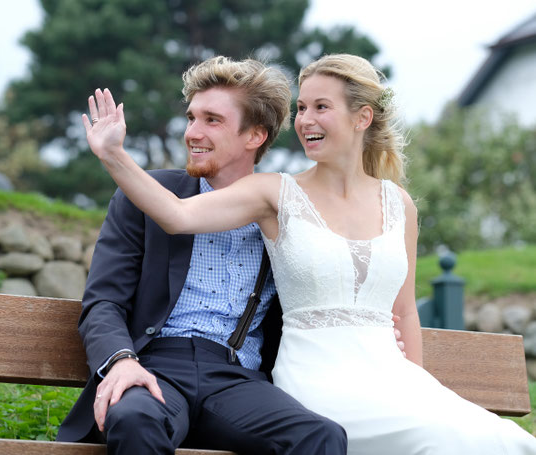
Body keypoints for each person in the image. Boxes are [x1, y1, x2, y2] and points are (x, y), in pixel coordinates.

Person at [82, 53, 536, 454]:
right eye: (302, 108)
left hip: (247, 379)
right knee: (138, 418)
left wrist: (410, 377)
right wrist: (114, 156)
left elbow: (401, 312)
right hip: (184, 365)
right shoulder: (264, 196)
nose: (193, 133)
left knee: (494, 441)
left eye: (321, 107)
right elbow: (171, 222)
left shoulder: (389, 204)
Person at [56, 56, 348, 454]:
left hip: (236, 380)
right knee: (135, 418)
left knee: (321, 436)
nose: (192, 132)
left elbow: (324, 294)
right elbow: (103, 303)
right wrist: (122, 361)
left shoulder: (286, 216)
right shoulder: (144, 195)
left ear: (255, 136)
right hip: (154, 366)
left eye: (212, 120)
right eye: (191, 118)